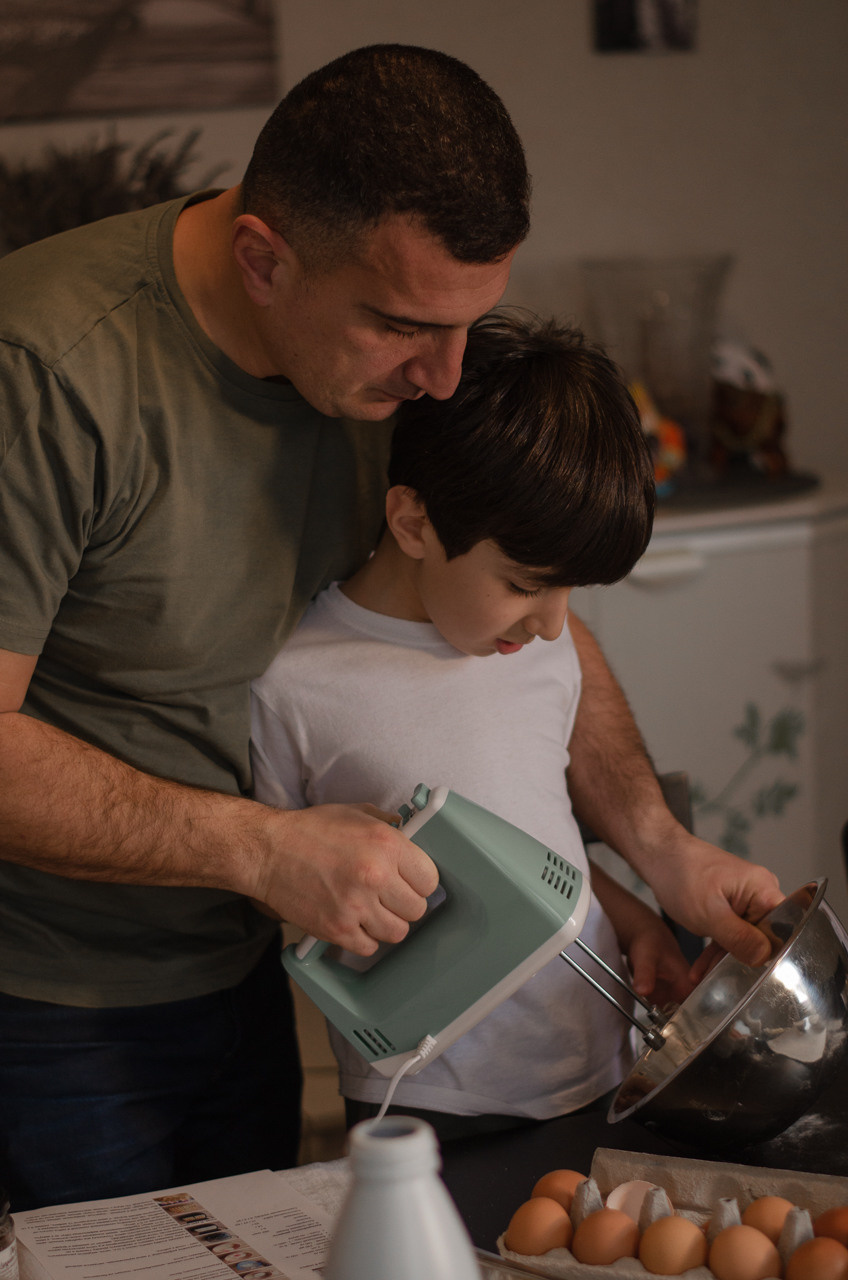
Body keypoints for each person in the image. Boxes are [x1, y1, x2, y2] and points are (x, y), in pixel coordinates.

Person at [0, 43, 780, 1208]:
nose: (447, 375)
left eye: (472, 320)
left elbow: (520, 604)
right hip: (56, 1007)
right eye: (407, 327)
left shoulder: (402, 359)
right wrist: (263, 850)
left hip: (245, 980)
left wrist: (656, 852)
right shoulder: (46, 373)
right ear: (263, 260)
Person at [251, 311, 697, 1138]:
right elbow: (294, 884)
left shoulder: (535, 650)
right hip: (428, 1097)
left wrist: (629, 915)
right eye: (528, 585)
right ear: (413, 522)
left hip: (600, 1057)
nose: (555, 627)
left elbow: (525, 836)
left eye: (571, 595)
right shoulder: (294, 686)